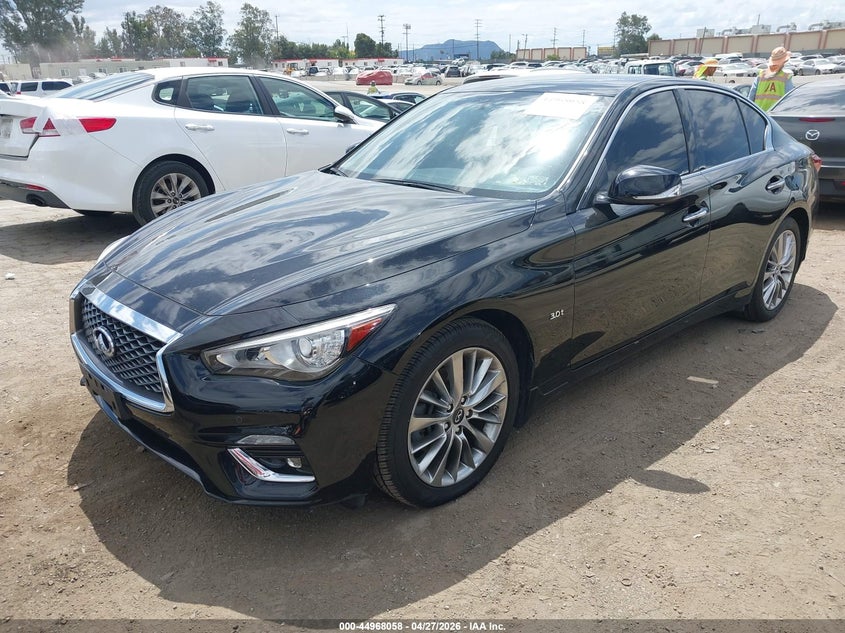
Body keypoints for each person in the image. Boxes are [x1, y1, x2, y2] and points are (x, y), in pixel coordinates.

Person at [748, 46, 794, 111]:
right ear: (783, 62)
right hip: (776, 117)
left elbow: (751, 98)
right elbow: (790, 100)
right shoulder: (786, 78)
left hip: (760, 116)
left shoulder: (760, 76)